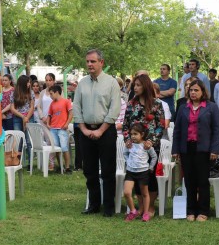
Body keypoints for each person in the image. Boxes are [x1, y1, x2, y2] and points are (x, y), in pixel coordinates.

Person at [73, 49, 122, 217]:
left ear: (101, 62)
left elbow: (114, 109)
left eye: (93, 61)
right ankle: (94, 204)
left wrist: (101, 130)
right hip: (85, 131)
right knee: (89, 170)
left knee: (108, 170)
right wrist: (84, 129)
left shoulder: (111, 83)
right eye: (87, 61)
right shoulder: (82, 83)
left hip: (106, 131)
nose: (89, 64)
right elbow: (76, 107)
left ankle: (109, 207)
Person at [172, 78, 219, 222]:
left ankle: (203, 210)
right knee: (189, 180)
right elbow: (177, 130)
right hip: (186, 148)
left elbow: (217, 130)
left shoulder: (211, 107)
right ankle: (191, 210)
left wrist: (214, 150)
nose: (193, 93)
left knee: (202, 181)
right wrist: (175, 149)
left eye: (196, 90)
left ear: (202, 92)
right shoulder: (183, 107)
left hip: (204, 148)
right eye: (191, 90)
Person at [121, 74, 165, 214]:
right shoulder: (131, 104)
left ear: (145, 86)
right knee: (136, 176)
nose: (135, 87)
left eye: (138, 85)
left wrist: (151, 141)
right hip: (134, 148)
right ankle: (141, 206)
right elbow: (125, 125)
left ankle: (150, 206)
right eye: (135, 85)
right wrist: (127, 139)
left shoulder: (156, 104)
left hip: (150, 147)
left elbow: (161, 125)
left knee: (149, 177)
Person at [123, 123, 158, 222]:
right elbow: (124, 153)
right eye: (131, 134)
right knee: (126, 192)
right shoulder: (129, 145)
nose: (133, 136)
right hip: (130, 172)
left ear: (142, 134)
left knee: (145, 194)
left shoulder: (146, 145)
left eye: (135, 134)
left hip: (143, 173)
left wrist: (150, 167)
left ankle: (146, 213)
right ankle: (133, 211)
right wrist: (128, 161)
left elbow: (154, 156)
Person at [47, 84, 73, 171]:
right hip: (53, 129)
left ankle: (67, 167)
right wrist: (48, 124)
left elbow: (71, 113)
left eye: (51, 94)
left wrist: (66, 124)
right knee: (56, 149)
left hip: (62, 128)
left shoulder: (66, 101)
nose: (50, 96)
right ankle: (60, 166)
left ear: (57, 92)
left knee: (64, 148)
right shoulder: (52, 104)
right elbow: (49, 115)